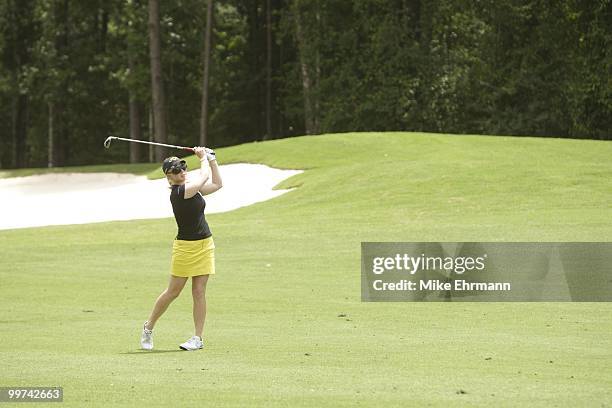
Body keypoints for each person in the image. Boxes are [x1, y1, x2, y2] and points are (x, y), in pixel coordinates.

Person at [140, 146, 223, 351]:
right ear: (169, 176)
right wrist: (202, 158)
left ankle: (197, 338)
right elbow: (203, 178)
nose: (182, 172)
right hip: (185, 248)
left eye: (183, 168)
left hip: (205, 244)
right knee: (173, 292)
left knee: (199, 292)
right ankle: (148, 327)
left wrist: (212, 160)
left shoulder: (190, 188)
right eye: (177, 170)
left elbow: (217, 184)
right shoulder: (179, 193)